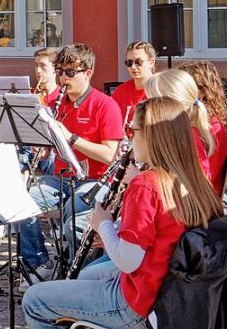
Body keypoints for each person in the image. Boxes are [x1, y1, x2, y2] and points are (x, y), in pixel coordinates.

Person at [21, 97, 223, 329]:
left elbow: (129, 259)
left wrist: (103, 225)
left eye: (135, 130)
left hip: (137, 303)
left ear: (153, 136)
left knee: (36, 300)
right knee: (82, 279)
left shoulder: (147, 185)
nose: (130, 138)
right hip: (171, 305)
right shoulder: (195, 181)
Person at [18, 44, 124, 280]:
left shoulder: (105, 105)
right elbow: (52, 144)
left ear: (88, 73)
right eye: (60, 72)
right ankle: (39, 262)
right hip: (61, 178)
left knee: (73, 212)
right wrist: (43, 146)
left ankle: (79, 273)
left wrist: (71, 137)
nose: (63, 78)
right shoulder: (57, 104)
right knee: (21, 202)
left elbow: (109, 154)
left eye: (70, 72)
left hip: (95, 180)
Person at [144, 69, 215, 183]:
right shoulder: (183, 133)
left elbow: (179, 186)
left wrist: (139, 177)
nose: (147, 108)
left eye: (151, 103)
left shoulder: (184, 138)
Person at [183, 61, 227, 197]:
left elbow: (199, 180)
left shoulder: (210, 128)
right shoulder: (202, 125)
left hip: (198, 204)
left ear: (201, 92)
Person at [111, 41, 156, 122]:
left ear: (151, 63)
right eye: (129, 63)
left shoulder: (161, 89)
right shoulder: (120, 92)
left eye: (138, 62)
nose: (133, 67)